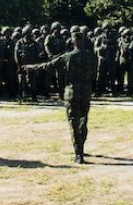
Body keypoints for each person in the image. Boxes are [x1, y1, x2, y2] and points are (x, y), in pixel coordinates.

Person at [25, 29, 97, 163]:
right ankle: (81, 148)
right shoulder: (91, 57)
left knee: (74, 123)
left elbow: (48, 65)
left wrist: (33, 67)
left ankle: (78, 154)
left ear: (73, 41)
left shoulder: (67, 57)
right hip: (85, 93)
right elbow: (94, 74)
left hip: (71, 93)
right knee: (83, 121)